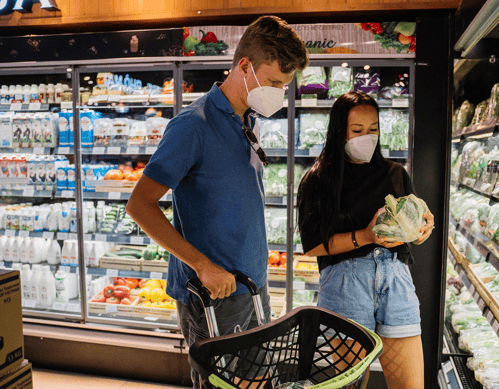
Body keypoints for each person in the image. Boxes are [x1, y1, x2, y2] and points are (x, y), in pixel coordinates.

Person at [126, 15, 308, 388]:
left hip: (250, 287)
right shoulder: (193, 125)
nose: (278, 92)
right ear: (244, 66)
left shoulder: (248, 122)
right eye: (274, 82)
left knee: (257, 383)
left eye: (285, 85)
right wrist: (203, 266)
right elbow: (140, 205)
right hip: (213, 293)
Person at [297, 91, 434, 389]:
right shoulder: (317, 180)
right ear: (339, 132)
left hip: (396, 280)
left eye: (373, 129)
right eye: (357, 131)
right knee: (352, 385)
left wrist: (421, 228)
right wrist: (366, 236)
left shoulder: (396, 174)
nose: (367, 137)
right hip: (345, 283)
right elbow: (312, 246)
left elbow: (412, 233)